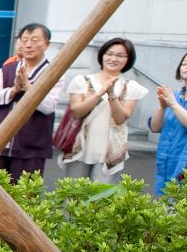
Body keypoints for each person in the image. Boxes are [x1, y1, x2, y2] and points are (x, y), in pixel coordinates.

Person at [0, 23, 64, 182]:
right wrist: (13, 90)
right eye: (24, 40)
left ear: (46, 44)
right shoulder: (8, 68)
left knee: (23, 197)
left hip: (31, 146)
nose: (28, 45)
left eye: (34, 40)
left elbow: (49, 106)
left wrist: (28, 87)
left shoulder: (54, 72)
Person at [59, 38, 147, 183]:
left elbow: (121, 119)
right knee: (73, 197)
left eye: (120, 55)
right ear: (102, 55)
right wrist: (100, 93)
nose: (113, 58)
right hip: (79, 148)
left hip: (110, 153)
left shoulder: (131, 87)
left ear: (128, 60)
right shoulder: (81, 81)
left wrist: (112, 95)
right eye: (109, 53)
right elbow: (77, 112)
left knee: (101, 201)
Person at [150, 52, 187, 195]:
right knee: (166, 208)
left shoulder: (173, 100)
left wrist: (172, 104)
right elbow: (155, 127)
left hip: (183, 164)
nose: (185, 67)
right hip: (167, 161)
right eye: (184, 63)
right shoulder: (175, 96)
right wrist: (162, 107)